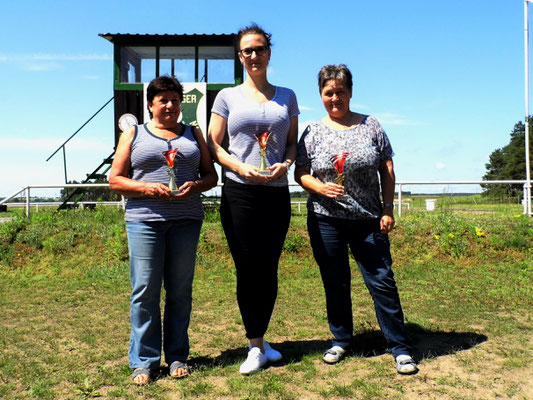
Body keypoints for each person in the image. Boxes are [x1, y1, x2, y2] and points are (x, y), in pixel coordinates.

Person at [294, 64, 418, 375]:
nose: (335, 98)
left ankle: (399, 347)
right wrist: (320, 187)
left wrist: (387, 209)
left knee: (382, 281)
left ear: (351, 92)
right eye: (328, 93)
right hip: (326, 219)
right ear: (321, 95)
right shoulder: (311, 131)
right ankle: (341, 339)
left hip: (368, 220)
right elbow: (300, 173)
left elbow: (387, 169)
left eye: (340, 92)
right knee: (335, 282)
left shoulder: (371, 125)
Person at [109, 75, 218, 385]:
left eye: (174, 99)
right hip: (144, 221)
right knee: (144, 290)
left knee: (180, 291)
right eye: (163, 100)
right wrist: (146, 188)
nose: (170, 105)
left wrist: (195, 186)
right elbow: (115, 180)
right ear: (150, 105)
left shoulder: (194, 134)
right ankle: (143, 361)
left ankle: (177, 355)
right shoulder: (134, 134)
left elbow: (211, 176)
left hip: (186, 220)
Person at [207, 24, 299, 375]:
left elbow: (291, 142)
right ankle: (254, 345)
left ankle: (262, 336)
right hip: (239, 192)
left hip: (276, 192)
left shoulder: (287, 96)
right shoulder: (227, 97)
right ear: (240, 55)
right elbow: (214, 144)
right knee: (247, 267)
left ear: (269, 53)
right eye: (247, 50)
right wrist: (240, 168)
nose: (254, 55)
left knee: (270, 267)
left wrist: (286, 164)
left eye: (259, 49)